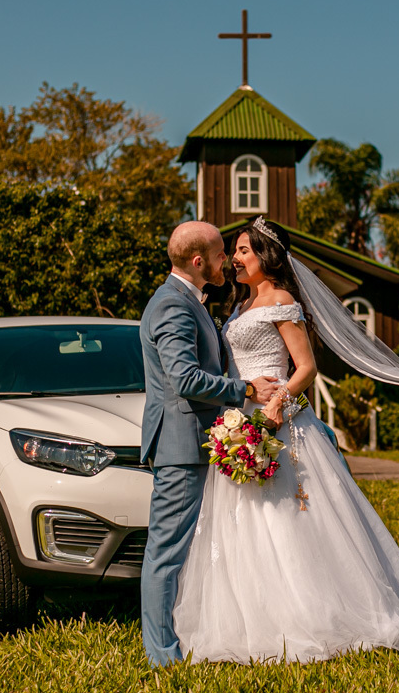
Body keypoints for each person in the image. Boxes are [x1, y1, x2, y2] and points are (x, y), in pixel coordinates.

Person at [172, 217, 399, 664]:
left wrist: (277, 406)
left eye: (242, 251)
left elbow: (305, 368)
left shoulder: (282, 300)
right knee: (245, 523)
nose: (235, 259)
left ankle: (318, 615)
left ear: (265, 257)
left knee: (290, 521)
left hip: (281, 422)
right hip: (240, 422)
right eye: (233, 252)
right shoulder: (237, 309)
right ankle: (254, 617)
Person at [139, 221, 279, 667]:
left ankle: (188, 635)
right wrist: (244, 390)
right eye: (222, 254)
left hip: (199, 441)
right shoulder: (173, 306)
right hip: (182, 444)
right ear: (199, 261)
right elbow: (183, 378)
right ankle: (162, 655)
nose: (228, 262)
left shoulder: (187, 301)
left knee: (187, 548)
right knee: (167, 551)